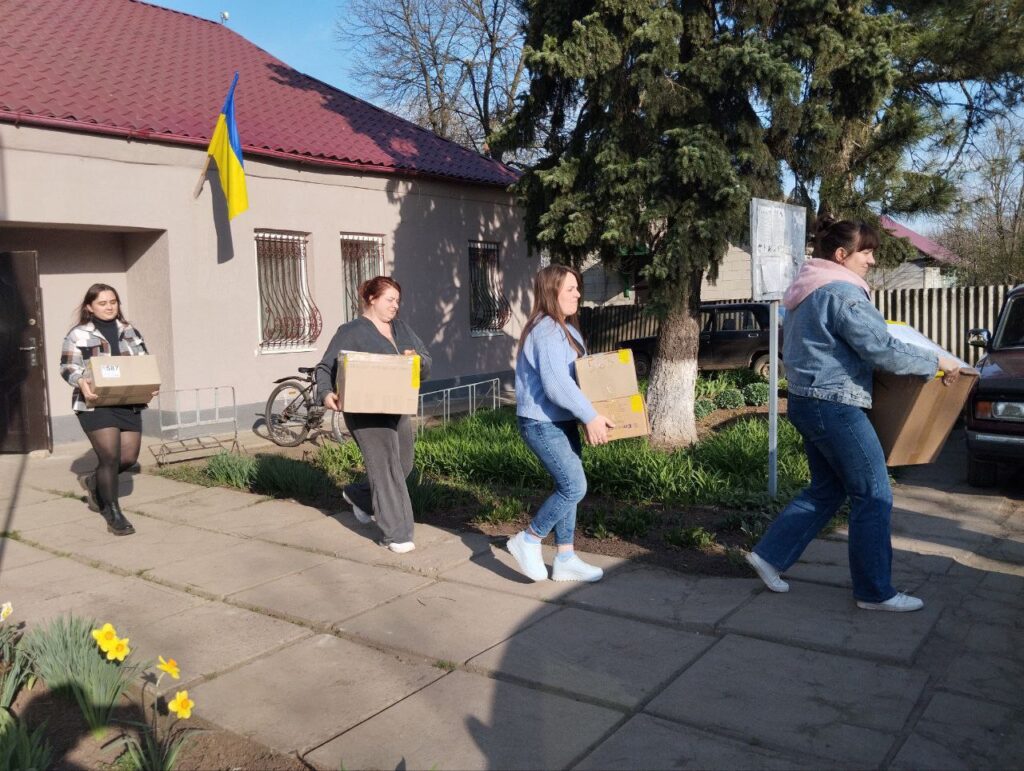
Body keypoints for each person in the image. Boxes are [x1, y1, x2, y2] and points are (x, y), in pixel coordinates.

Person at [746, 216, 962, 612]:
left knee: (827, 490)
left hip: (807, 400)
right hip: (836, 405)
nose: (872, 260)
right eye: (867, 252)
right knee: (874, 494)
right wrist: (937, 361)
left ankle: (769, 555)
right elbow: (882, 349)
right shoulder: (842, 292)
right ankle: (874, 592)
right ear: (841, 254)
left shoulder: (805, 289)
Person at [506, 265, 615, 583]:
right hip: (542, 424)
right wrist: (590, 416)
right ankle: (529, 539)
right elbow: (556, 385)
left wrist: (588, 414)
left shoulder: (567, 330)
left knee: (569, 487)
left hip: (561, 421)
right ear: (552, 292)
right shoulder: (547, 331)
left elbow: (579, 379)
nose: (578, 294)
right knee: (574, 486)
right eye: (570, 288)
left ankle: (565, 557)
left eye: (577, 288)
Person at [316, 276, 431, 553]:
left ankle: (359, 495)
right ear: (371, 299)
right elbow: (324, 367)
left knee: (403, 465)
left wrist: (417, 360)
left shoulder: (402, 328)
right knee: (386, 468)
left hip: (396, 406)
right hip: (364, 410)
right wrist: (326, 393)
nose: (395, 306)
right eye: (390, 300)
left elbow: (426, 361)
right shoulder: (351, 331)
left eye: (398, 301)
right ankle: (397, 535)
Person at [60, 284, 152, 536]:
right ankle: (113, 513)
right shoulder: (78, 334)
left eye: (113, 302)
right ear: (89, 307)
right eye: (102, 303)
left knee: (128, 458)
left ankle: (93, 482)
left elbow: (144, 362)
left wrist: (149, 384)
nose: (109, 307)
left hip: (127, 401)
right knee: (109, 458)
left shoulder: (129, 331)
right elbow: (67, 366)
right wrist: (81, 381)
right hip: (94, 403)